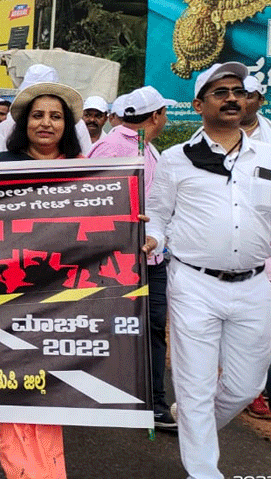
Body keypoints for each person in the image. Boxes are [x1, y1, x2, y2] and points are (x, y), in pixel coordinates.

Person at [145, 61, 271, 479]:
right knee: (195, 385)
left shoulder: (267, 154)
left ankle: (193, 424)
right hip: (194, 284)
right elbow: (157, 214)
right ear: (199, 104)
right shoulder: (176, 159)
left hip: (255, 285)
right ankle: (203, 470)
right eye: (221, 92)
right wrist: (153, 239)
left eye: (238, 91)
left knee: (245, 386)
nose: (232, 98)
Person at [0, 79, 84, 479]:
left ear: (66, 125)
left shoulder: (86, 171)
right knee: (15, 383)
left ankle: (47, 469)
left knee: (49, 386)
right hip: (8, 294)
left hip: (62, 296)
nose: (46, 123)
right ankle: (22, 470)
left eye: (56, 116)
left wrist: (135, 224)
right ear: (24, 123)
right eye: (38, 115)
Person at [88, 86, 177, 430]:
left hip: (151, 259)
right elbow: (90, 199)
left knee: (152, 329)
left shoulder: (149, 148)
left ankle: (153, 403)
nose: (165, 119)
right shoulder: (112, 147)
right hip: (120, 260)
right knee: (114, 327)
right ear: (156, 116)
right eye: (164, 113)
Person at [240, 75, 271, 420]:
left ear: (260, 100)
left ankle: (257, 389)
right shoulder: (212, 136)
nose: (242, 100)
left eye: (250, 95)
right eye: (238, 93)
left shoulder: (269, 139)